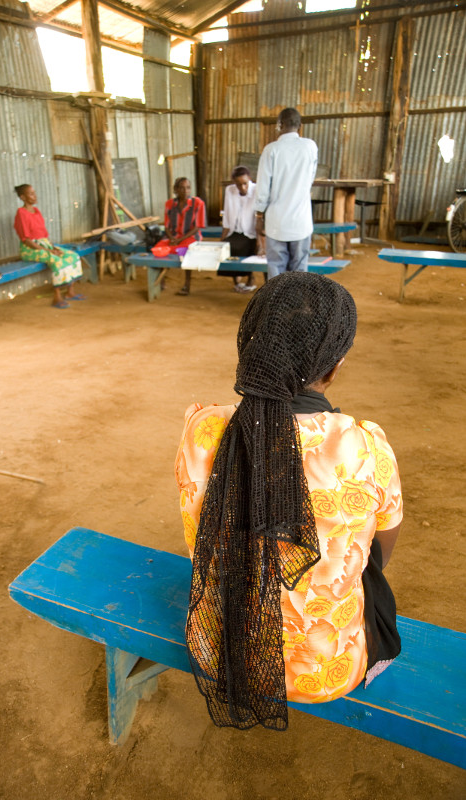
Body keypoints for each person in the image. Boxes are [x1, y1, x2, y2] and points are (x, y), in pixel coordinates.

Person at [175, 272, 402, 731]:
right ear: (335, 366)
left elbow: (195, 538)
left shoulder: (203, 430)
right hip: (321, 674)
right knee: (369, 573)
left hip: (220, 648)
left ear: (251, 349)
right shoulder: (366, 446)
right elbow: (380, 549)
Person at [255, 107, 318, 278]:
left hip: (277, 222)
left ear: (279, 125)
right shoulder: (310, 147)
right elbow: (310, 179)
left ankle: (277, 304)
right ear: (300, 125)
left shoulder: (271, 150)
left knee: (276, 270)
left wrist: (259, 217)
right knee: (300, 271)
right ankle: (297, 305)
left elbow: (262, 188)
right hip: (301, 221)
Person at [13, 184, 85, 309]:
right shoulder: (21, 213)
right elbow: (26, 240)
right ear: (22, 197)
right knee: (56, 260)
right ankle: (57, 297)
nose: (34, 196)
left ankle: (70, 292)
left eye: (34, 192)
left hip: (44, 245)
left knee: (73, 256)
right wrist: (49, 251)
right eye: (31, 194)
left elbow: (44, 235)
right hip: (30, 249)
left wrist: (53, 248)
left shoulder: (37, 211)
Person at [162, 177, 206, 296]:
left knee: (187, 251)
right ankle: (161, 279)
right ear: (176, 189)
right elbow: (166, 226)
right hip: (174, 236)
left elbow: (198, 227)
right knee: (160, 248)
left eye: (188, 188)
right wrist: (172, 238)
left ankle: (187, 284)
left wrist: (179, 240)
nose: (185, 190)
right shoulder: (170, 204)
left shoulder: (198, 203)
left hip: (191, 237)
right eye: (182, 188)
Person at [219, 166, 258, 293]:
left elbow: (259, 217)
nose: (242, 188)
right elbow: (227, 214)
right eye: (238, 184)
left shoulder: (257, 190)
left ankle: (250, 279)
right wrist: (223, 237)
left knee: (247, 247)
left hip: (251, 232)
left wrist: (260, 239)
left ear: (250, 180)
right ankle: (236, 281)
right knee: (227, 246)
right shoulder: (230, 190)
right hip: (235, 231)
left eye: (245, 184)